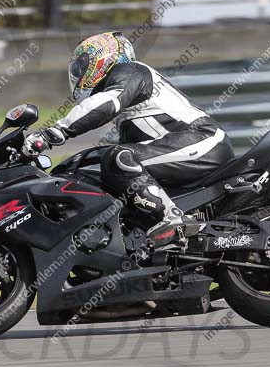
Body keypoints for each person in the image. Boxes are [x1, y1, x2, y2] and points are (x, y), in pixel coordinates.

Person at [23, 31, 234, 247]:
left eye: (82, 65)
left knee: (119, 159)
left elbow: (106, 104)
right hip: (187, 147)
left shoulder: (131, 71)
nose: (78, 73)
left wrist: (53, 132)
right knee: (105, 163)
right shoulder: (127, 103)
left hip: (202, 140)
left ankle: (172, 220)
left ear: (103, 58)